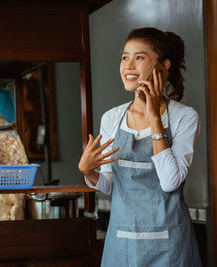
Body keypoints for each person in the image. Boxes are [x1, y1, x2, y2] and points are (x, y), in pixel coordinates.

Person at [78, 27, 202, 266]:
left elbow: (170, 182)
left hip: (170, 245)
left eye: (139, 57)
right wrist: (88, 171)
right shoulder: (112, 118)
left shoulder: (184, 117)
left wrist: (154, 116)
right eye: (125, 57)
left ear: (163, 66)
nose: (128, 66)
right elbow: (108, 185)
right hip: (122, 243)